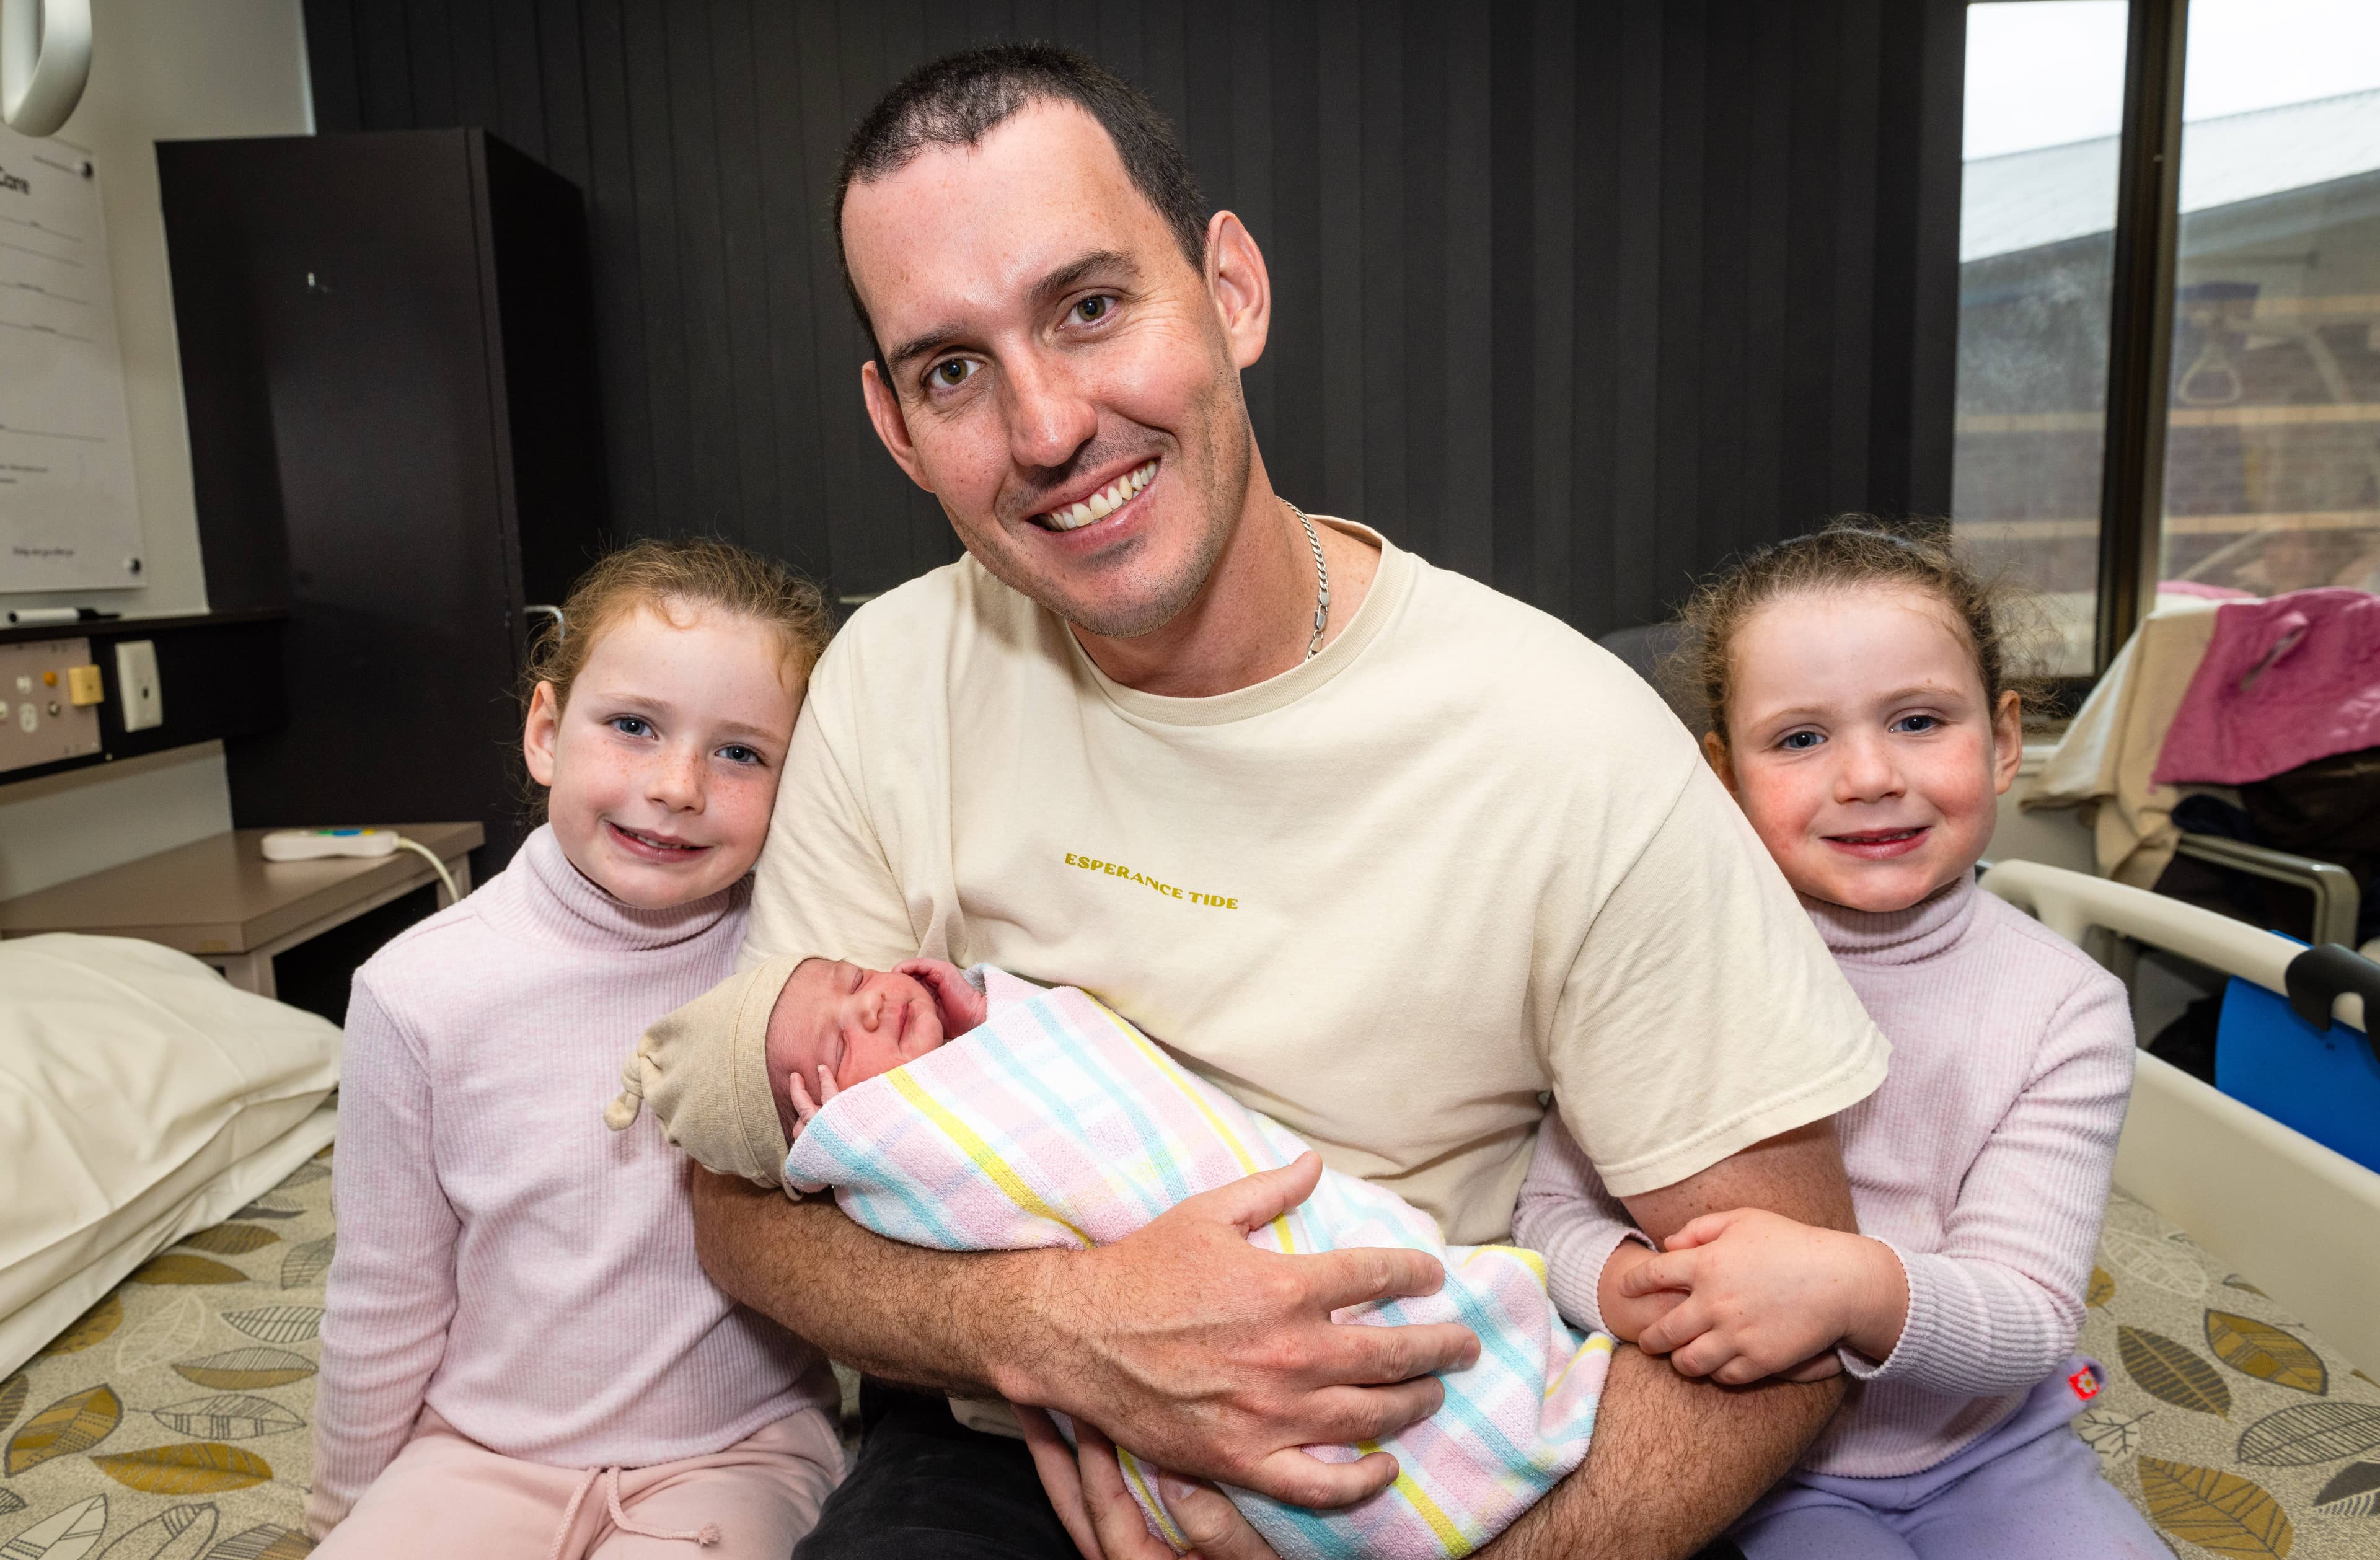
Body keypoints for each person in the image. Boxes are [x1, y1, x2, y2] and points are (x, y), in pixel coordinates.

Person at [679, 44, 1893, 1560]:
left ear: (1232, 290)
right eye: (953, 369)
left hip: (1427, 1457)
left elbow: (1792, 1320)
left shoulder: (1569, 742)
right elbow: (736, 1201)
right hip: (1005, 1424)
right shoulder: (891, 678)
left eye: (1091, 306)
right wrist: (1060, 1329)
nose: (1048, 426)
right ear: (895, 424)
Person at [1514, 523, 2165, 1559]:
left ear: (2002, 741)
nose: (1867, 774)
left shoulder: (2065, 1007)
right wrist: (1612, 1281)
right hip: (1772, 1468)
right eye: (1801, 738)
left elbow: (2032, 1312)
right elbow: (1547, 1210)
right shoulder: (1664, 970)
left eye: (1917, 719)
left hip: (1992, 1445)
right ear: (1724, 774)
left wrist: (1845, 1286)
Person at [610, 953, 1613, 1558]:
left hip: (1356, 1235)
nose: (867, 1006)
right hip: (996, 1429)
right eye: (831, 1054)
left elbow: (1117, 1085)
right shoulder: (908, 1147)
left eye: (848, 979)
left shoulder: (1015, 1025)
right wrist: (871, 1140)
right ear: (822, 1129)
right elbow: (782, 1210)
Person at [309, 540, 847, 1559]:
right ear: (548, 732)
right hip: (478, 1451)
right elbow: (384, 1292)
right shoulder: (417, 990)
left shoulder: (803, 971)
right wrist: (345, 1511)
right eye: (634, 726)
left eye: (741, 752)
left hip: (739, 1451)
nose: (679, 785)